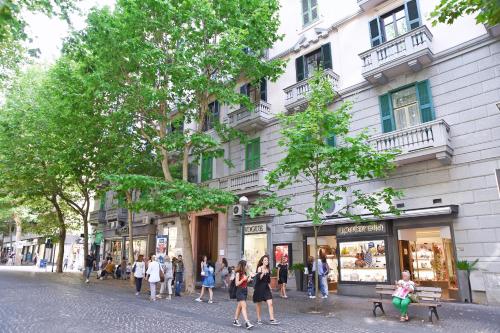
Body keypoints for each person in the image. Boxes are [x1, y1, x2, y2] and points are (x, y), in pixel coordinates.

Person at [253, 255, 279, 325]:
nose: (266, 261)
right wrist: (262, 273)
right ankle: (259, 319)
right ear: (262, 261)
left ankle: (272, 319)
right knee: (259, 304)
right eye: (265, 260)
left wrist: (270, 288)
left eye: (267, 260)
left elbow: (267, 281)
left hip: (266, 288)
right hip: (259, 288)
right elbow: (259, 278)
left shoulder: (268, 269)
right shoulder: (259, 268)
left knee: (270, 303)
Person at [233, 260, 254, 329]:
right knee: (244, 306)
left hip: (245, 290)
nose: (247, 266)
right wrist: (243, 280)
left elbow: (245, 282)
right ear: (243, 266)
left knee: (240, 306)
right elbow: (236, 284)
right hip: (240, 291)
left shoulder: (244, 273)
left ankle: (235, 320)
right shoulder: (238, 273)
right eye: (246, 265)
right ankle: (247, 322)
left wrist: (249, 279)